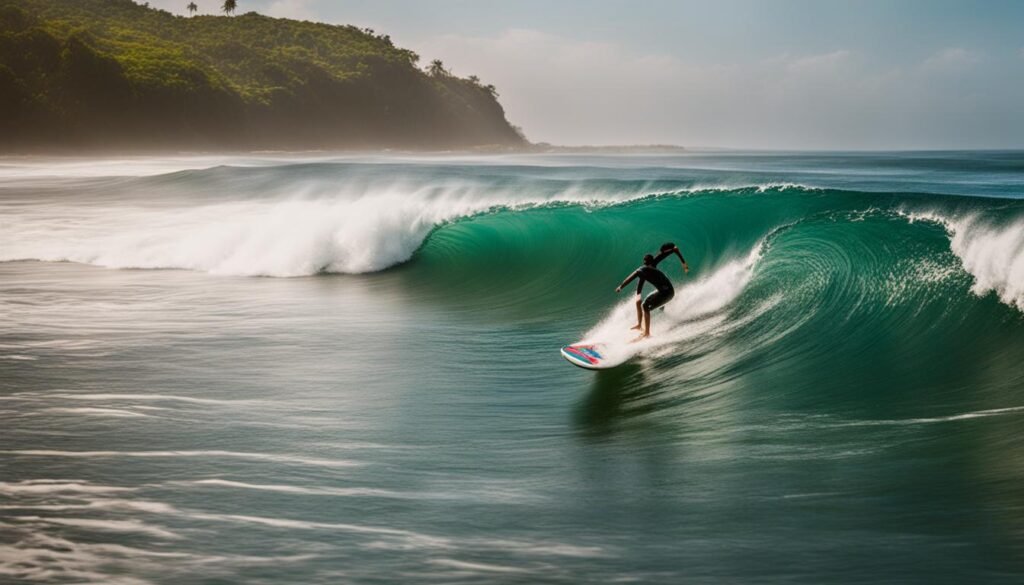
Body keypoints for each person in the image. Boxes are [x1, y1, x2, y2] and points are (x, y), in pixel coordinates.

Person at [615, 242, 689, 340]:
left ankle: (647, 333)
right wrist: (681, 259)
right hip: (668, 291)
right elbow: (640, 283)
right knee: (647, 302)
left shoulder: (642, 269)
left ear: (644, 262)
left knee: (645, 305)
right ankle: (642, 325)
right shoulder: (648, 268)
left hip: (666, 293)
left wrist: (621, 287)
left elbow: (631, 278)